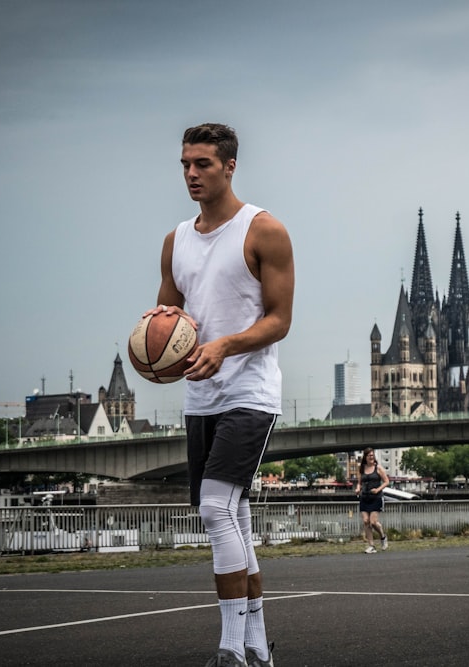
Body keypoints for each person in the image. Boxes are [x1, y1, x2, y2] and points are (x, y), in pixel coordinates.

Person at [148, 122, 294, 667]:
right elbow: (169, 320)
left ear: (230, 166)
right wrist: (155, 355)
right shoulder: (176, 241)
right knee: (236, 516)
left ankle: (231, 649)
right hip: (200, 398)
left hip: (250, 392)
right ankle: (257, 646)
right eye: (185, 163)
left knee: (215, 508)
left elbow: (280, 320)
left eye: (202, 164)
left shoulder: (264, 230)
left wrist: (226, 346)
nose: (191, 173)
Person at [354, 448, 389, 553]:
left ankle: (383, 536)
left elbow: (386, 481)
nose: (371, 457)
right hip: (365, 497)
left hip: (376, 498)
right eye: (369, 455)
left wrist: (377, 489)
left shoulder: (378, 468)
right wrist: (358, 488)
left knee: (373, 522)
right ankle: (371, 546)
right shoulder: (362, 468)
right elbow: (359, 482)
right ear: (365, 457)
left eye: (372, 455)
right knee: (366, 521)